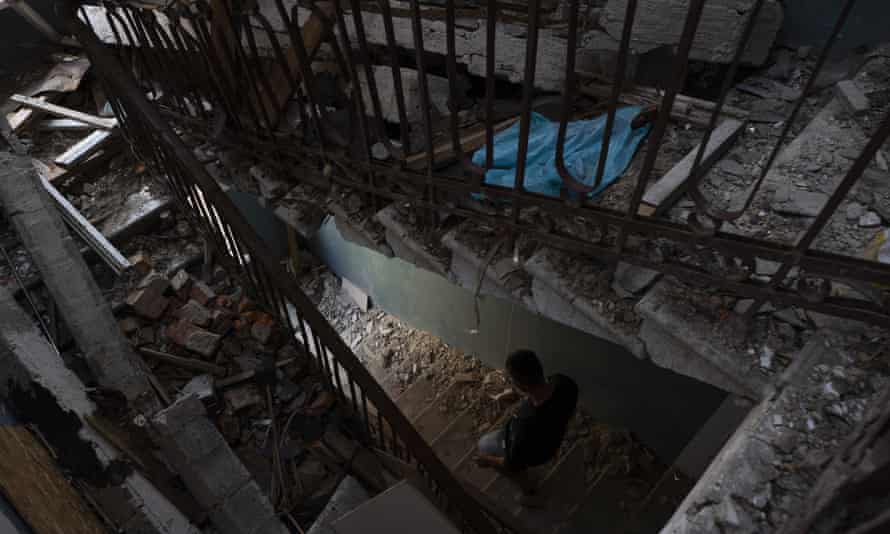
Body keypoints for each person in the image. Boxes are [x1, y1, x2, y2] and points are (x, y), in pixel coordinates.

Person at [475, 349, 579, 507]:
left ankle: (529, 491)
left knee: (484, 444)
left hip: (537, 454)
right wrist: (522, 395)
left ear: (521, 385)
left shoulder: (523, 426)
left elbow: (511, 464)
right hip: (553, 438)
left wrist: (486, 460)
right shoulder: (564, 383)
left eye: (512, 380)